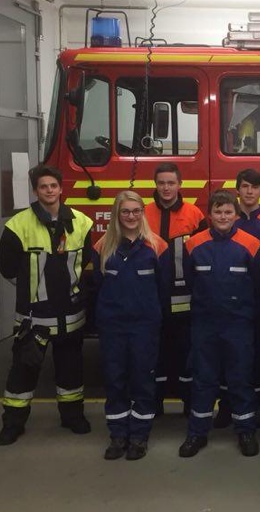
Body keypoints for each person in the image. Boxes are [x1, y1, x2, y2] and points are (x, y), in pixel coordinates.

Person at [0, 165, 93, 445]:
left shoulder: (82, 222)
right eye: (43, 187)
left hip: (70, 313)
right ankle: (13, 424)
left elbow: (86, 260)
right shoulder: (17, 225)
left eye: (53, 186)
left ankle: (73, 417)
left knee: (71, 369)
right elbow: (7, 268)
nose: (49, 191)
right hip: (34, 315)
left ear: (61, 188)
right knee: (23, 371)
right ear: (35, 190)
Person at [178, 190, 260, 458]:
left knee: (240, 379)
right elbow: (191, 281)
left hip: (238, 324)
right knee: (203, 379)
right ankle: (197, 433)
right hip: (205, 324)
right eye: (218, 212)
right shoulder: (194, 244)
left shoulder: (251, 245)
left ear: (236, 215)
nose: (223, 216)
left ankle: (246, 431)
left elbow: (258, 284)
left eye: (228, 212)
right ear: (209, 215)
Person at [93, 191, 170, 460]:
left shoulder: (157, 246)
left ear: (142, 213)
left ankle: (138, 436)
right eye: (125, 211)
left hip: (144, 327)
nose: (131, 216)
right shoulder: (102, 247)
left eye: (136, 211)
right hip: (112, 326)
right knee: (115, 380)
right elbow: (97, 286)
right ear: (117, 214)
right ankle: (118, 435)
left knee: (142, 381)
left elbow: (163, 288)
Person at [215, 168, 260, 429]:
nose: (249, 191)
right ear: (237, 190)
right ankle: (226, 406)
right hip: (231, 302)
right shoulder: (228, 219)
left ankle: (258, 406)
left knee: (259, 355)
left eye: (254, 187)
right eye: (244, 186)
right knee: (227, 355)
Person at [144, 163, 207, 415]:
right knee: (155, 354)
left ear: (180, 185)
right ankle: (155, 403)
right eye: (161, 183)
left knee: (186, 353)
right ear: (155, 185)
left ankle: (189, 404)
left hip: (184, 297)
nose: (166, 188)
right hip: (152, 297)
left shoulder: (194, 214)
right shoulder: (144, 213)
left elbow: (203, 255)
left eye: (171, 183)